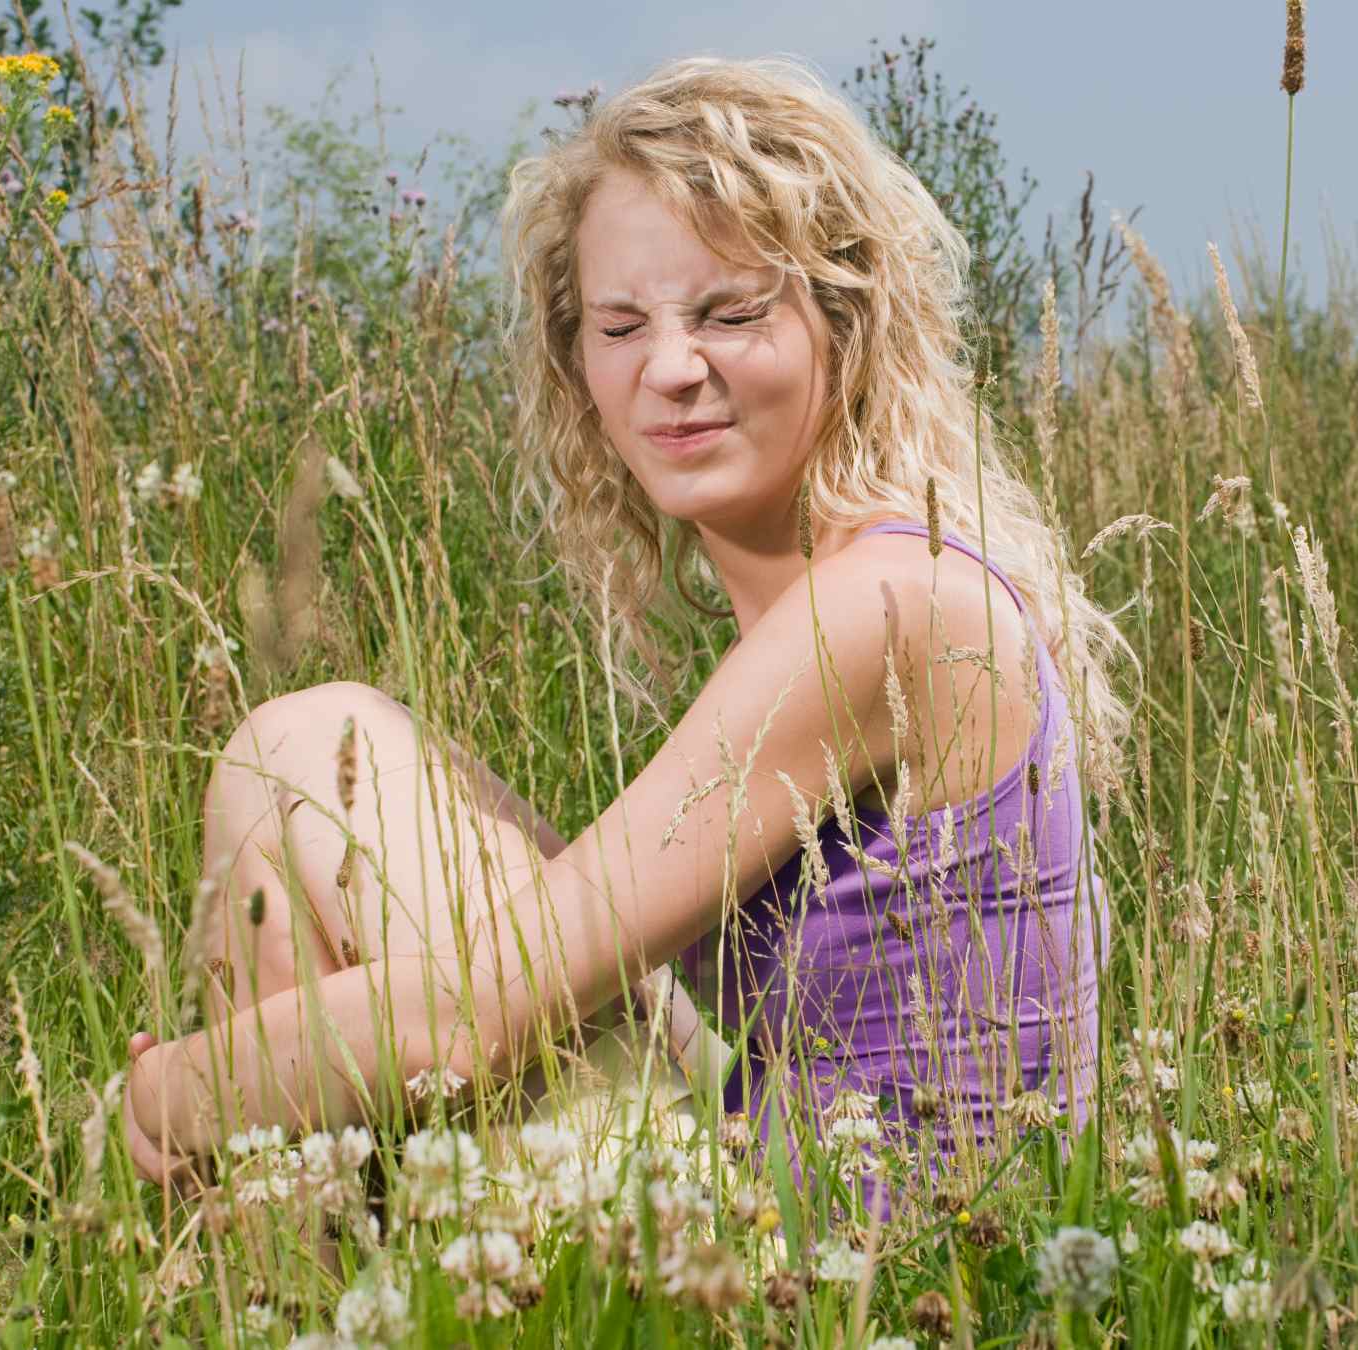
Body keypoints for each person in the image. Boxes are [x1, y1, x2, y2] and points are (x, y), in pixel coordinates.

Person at [121, 55, 1137, 1213]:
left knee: (306, 759)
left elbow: (466, 1019)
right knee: (291, 778)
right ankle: (276, 1295)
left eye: (732, 313)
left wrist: (168, 1097)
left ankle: (261, 1286)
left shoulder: (892, 605)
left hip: (879, 1282)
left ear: (847, 325)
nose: (669, 369)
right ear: (577, 364)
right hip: (790, 1189)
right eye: (619, 326)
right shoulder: (854, 588)